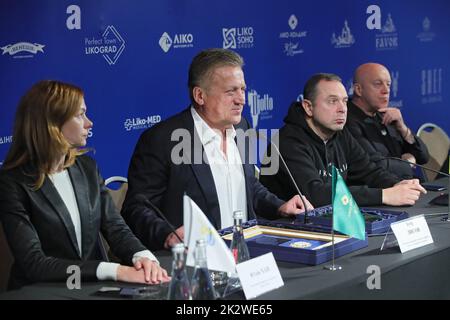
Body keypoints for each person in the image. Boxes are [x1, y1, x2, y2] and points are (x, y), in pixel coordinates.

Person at [121, 48, 313, 250]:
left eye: (242, 89)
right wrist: (167, 234)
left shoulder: (242, 128)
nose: (241, 99)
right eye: (230, 91)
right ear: (200, 95)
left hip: (246, 253)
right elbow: (137, 208)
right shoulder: (162, 140)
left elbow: (247, 186)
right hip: (195, 261)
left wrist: (280, 206)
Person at [0, 80, 170, 290]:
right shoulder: (12, 181)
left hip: (88, 288)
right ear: (52, 123)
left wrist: (143, 257)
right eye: (80, 115)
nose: (89, 123)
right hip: (40, 291)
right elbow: (34, 263)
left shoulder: (87, 167)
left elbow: (115, 227)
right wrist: (115, 270)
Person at [259, 73, 426, 208]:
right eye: (332, 101)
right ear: (308, 107)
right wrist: (384, 195)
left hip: (333, 221)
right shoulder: (287, 142)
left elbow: (369, 172)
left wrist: (398, 185)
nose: (342, 109)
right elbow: (315, 195)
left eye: (345, 101)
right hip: (287, 230)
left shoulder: (340, 134)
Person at [347, 63, 429, 181]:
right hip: (376, 194)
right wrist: (408, 163)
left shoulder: (387, 115)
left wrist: (403, 129)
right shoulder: (346, 120)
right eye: (378, 84)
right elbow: (374, 166)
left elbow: (423, 157)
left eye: (388, 84)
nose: (386, 90)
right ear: (358, 90)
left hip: (406, 187)